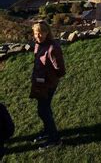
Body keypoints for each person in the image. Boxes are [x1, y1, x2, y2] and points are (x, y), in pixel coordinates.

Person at [30, 21, 66, 150]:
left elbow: (61, 70)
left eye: (41, 32)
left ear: (47, 32)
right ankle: (47, 131)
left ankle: (54, 139)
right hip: (39, 83)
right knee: (44, 109)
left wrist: (48, 77)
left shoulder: (52, 48)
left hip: (48, 84)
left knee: (43, 111)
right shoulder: (38, 44)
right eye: (36, 33)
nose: (38, 35)